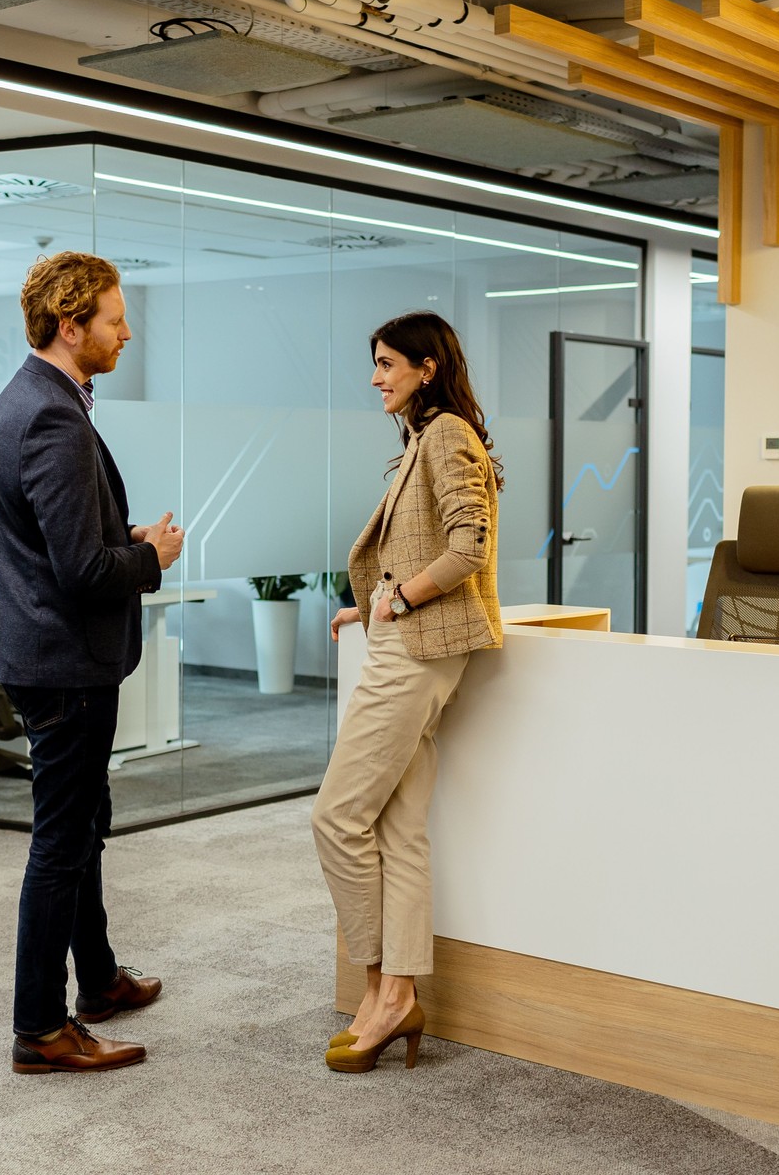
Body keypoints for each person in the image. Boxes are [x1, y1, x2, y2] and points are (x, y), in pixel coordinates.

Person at [0, 251, 185, 1075]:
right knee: (62, 842)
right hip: (63, 661)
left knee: (83, 824)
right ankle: (40, 1029)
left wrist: (119, 538)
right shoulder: (52, 417)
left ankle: (95, 981)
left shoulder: (29, 400)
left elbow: (55, 540)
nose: (127, 333)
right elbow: (80, 572)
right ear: (72, 326)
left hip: (49, 652)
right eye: (115, 318)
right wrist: (152, 556)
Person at [314, 310, 503, 1073]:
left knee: (336, 818)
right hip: (406, 638)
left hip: (418, 650)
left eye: (388, 363)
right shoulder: (426, 440)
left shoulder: (449, 432)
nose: (376, 377)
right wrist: (372, 602)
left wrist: (402, 601)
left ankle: (380, 989)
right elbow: (427, 543)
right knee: (397, 830)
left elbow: (470, 545)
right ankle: (398, 993)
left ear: (428, 368)